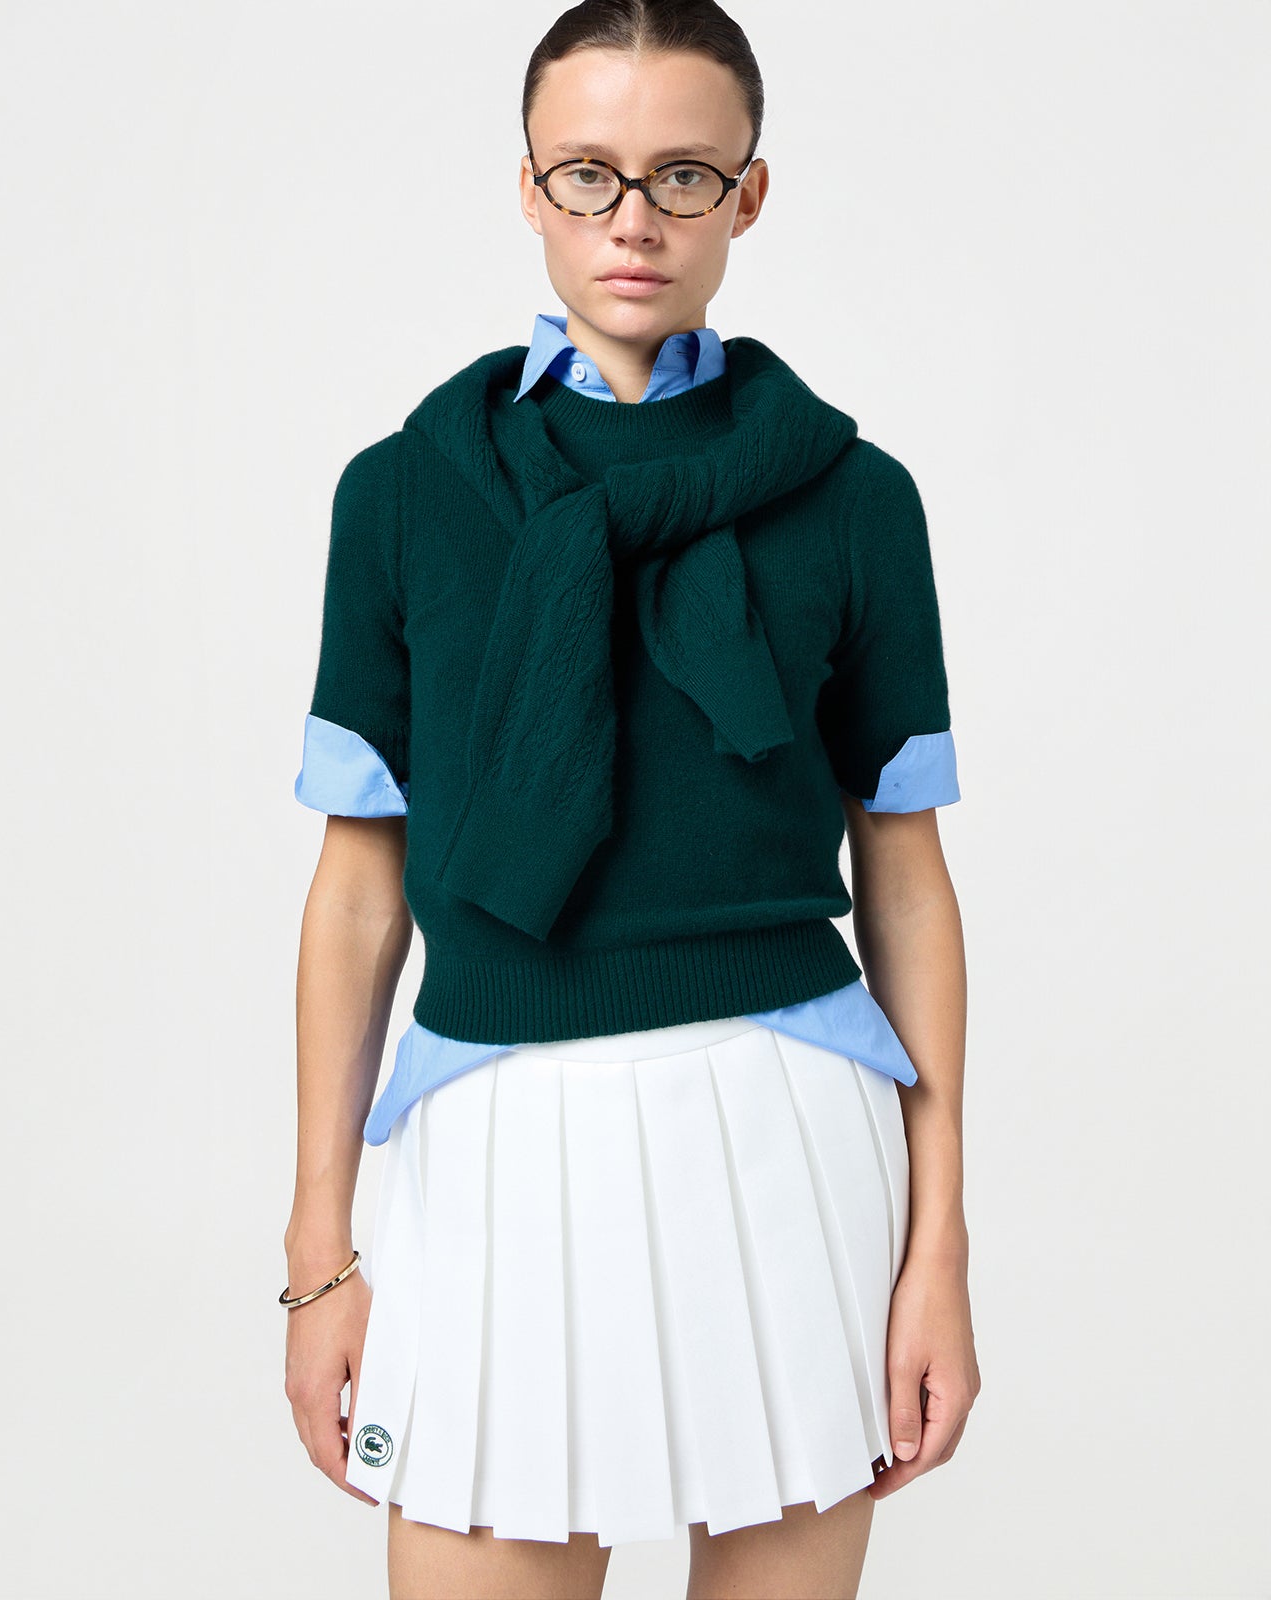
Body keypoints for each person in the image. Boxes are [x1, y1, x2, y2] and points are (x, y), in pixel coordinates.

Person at [281, 2, 981, 1596]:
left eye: (683, 174)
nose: (634, 221)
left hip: (787, 1131)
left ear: (749, 194)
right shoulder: (403, 492)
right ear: (527, 187)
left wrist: (938, 1245)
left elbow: (907, 879)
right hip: (491, 1130)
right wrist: (320, 1249)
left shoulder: (855, 500)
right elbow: (359, 891)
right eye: (587, 174)